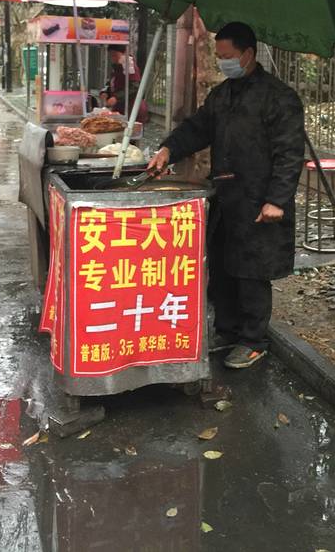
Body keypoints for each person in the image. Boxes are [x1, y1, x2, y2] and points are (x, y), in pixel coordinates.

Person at [147, 22, 305, 369]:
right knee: (222, 268)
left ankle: (253, 340)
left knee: (251, 272)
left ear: (248, 54)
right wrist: (167, 150)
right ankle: (227, 330)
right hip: (227, 195)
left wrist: (277, 200)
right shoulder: (222, 96)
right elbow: (196, 129)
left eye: (227, 57)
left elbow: (290, 153)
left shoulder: (279, 98)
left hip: (259, 199)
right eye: (219, 58)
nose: (222, 63)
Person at [101, 44, 149, 122]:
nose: (113, 59)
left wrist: (116, 97)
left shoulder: (130, 67)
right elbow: (112, 83)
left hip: (132, 110)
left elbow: (134, 87)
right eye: (111, 56)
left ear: (124, 53)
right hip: (121, 109)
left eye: (115, 55)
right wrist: (105, 92)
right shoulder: (117, 68)